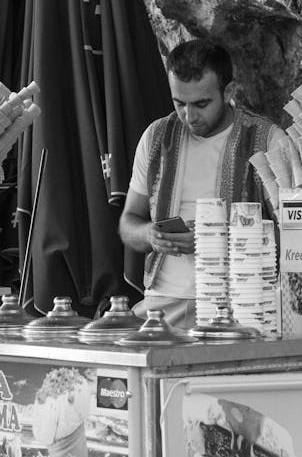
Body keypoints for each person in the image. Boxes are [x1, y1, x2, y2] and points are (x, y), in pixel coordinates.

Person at [119, 38, 285, 328]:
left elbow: (293, 233)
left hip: (241, 303)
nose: (189, 116)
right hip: (164, 299)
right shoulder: (156, 136)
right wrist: (150, 234)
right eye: (179, 103)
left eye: (201, 104)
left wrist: (214, 241)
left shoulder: (268, 140)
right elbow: (128, 222)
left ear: (230, 92)